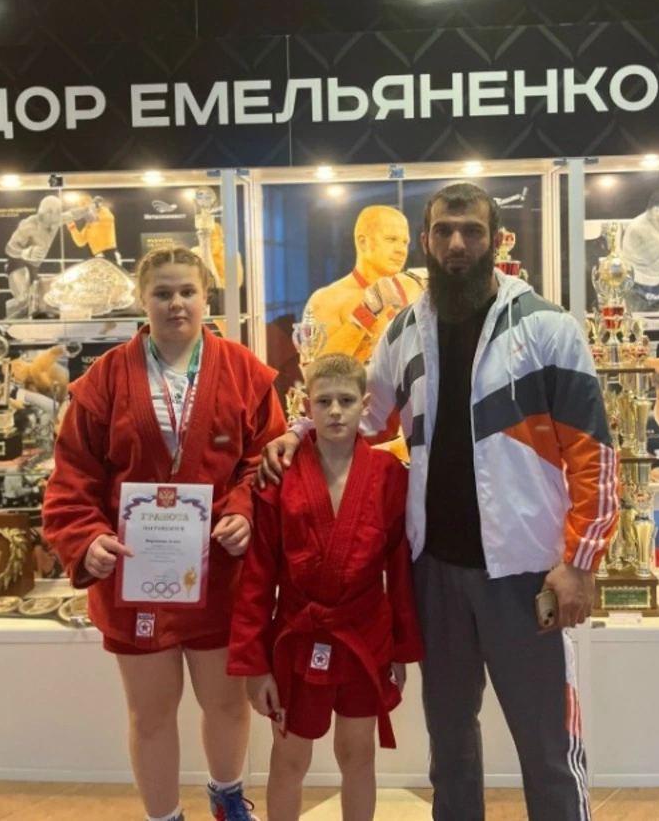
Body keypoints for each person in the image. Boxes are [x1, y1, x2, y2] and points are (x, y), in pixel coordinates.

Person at [262, 182, 619, 821]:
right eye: (445, 231)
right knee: (449, 745)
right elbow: (363, 413)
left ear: (496, 241)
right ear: (426, 241)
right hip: (435, 574)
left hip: (526, 574)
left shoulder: (546, 326)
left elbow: (593, 451)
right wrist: (298, 432)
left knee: (546, 743)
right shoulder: (405, 330)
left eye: (472, 231)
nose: (457, 244)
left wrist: (581, 562)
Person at [43, 246, 285, 821]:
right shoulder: (105, 379)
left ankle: (228, 802)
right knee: (150, 715)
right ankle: (164, 817)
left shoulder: (245, 372)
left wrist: (245, 511)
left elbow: (265, 461)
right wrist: (87, 538)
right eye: (163, 293)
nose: (176, 303)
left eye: (187, 292)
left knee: (227, 705)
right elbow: (73, 475)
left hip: (217, 569)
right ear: (142, 299)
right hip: (134, 572)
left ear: (206, 297)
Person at [228, 353, 423, 821]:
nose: (335, 411)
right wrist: (255, 666)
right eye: (324, 401)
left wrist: (400, 649)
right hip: (298, 634)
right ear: (306, 406)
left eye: (346, 401)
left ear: (366, 405)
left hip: (364, 635)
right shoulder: (279, 475)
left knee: (358, 753)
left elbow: (399, 572)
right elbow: (257, 577)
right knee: (289, 757)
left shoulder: (390, 476)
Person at [305, 205, 423, 364]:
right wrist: (364, 315)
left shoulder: (416, 286)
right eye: (391, 239)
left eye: (405, 242)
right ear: (363, 243)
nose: (401, 250)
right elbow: (319, 370)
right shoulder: (327, 299)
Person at [4, 194, 65, 315]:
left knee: (37, 304)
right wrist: (24, 252)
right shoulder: (30, 225)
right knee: (23, 300)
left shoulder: (56, 221)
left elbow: (72, 215)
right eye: (51, 211)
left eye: (58, 212)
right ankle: (6, 318)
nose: (55, 215)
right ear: (44, 211)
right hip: (18, 264)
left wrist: (87, 211)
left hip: (33, 267)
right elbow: (9, 248)